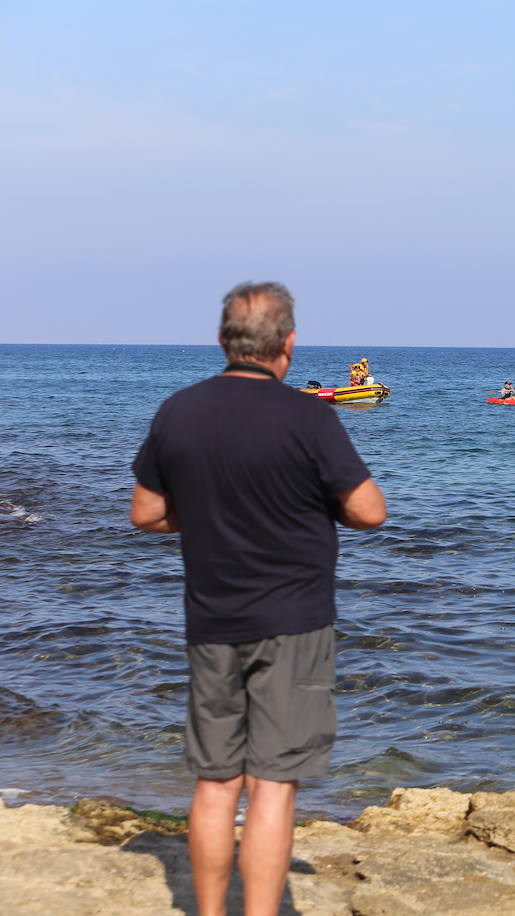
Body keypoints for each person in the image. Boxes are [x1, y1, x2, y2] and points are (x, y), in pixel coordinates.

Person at [130, 282, 386, 916]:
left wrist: (216, 514)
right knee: (273, 785)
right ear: (289, 345)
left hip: (212, 618)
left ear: (222, 342)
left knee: (215, 782)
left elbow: (147, 513)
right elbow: (369, 511)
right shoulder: (309, 417)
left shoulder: (178, 411)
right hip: (294, 622)